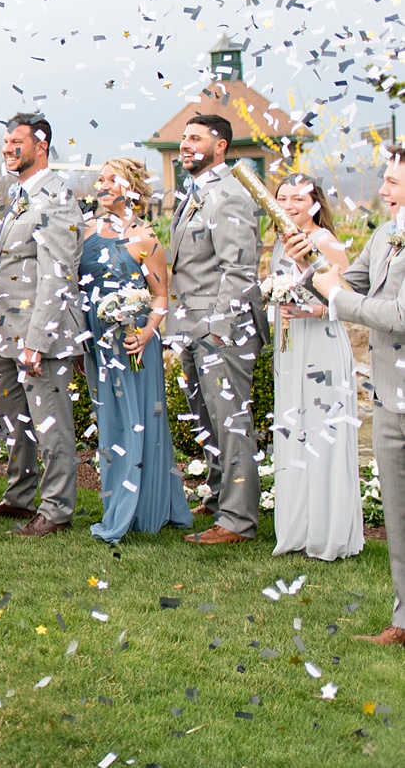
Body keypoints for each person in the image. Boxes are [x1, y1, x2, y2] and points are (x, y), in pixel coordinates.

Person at [290, 148, 405, 645]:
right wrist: (309, 265)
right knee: (398, 516)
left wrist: (340, 299)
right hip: (388, 397)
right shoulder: (384, 234)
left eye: (394, 181)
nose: (382, 189)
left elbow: (398, 315)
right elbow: (346, 284)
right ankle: (403, 621)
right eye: (385, 178)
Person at [167, 113, 267, 546]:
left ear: (220, 145)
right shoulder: (192, 195)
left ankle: (239, 520)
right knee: (207, 421)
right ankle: (216, 499)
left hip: (223, 329)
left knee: (230, 422)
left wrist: (217, 329)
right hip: (192, 326)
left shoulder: (229, 195)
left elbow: (240, 269)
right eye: (183, 139)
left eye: (195, 138)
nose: (186, 145)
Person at [80, 158, 192, 543]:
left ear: (132, 189)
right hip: (97, 340)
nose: (104, 184)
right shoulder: (83, 231)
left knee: (136, 420)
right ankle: (118, 502)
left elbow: (162, 296)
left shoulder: (146, 237)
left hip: (133, 343)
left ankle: (136, 511)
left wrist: (146, 334)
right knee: (109, 423)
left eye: (113, 179)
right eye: (100, 178)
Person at [0, 111, 85, 537]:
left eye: (17, 142)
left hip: (39, 334)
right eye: (6, 142)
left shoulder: (56, 199)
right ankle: (19, 495)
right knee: (14, 419)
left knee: (50, 425)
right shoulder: (19, 196)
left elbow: (58, 274)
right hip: (7, 331)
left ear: (41, 145)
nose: (9, 149)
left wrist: (37, 340)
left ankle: (58, 510)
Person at [265, 173, 363, 560]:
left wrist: (307, 309)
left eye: (298, 199)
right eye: (283, 198)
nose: (290, 206)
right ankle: (298, 528)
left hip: (321, 345)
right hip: (291, 347)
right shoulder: (280, 241)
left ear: (316, 203)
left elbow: (348, 300)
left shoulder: (324, 241)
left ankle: (329, 531)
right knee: (295, 427)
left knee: (322, 430)